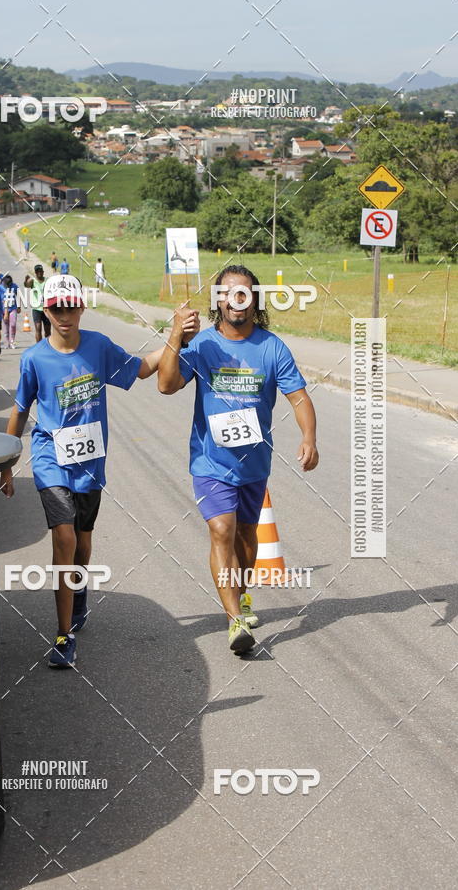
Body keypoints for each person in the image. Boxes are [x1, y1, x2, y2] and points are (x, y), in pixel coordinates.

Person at [0, 273, 199, 669]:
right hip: (49, 458)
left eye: (71, 307)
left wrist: (175, 336)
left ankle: (79, 592)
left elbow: (141, 369)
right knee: (64, 538)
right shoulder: (34, 358)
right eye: (56, 308)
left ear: (81, 307)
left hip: (90, 463)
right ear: (46, 310)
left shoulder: (97, 346)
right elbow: (21, 410)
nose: (64, 315)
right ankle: (62, 635)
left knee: (83, 546)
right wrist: (7, 464)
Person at [157, 264, 319, 657]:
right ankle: (234, 621)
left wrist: (309, 437)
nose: (236, 300)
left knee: (247, 539)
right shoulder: (203, 345)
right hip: (210, 462)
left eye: (244, 293)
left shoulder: (271, 347)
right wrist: (177, 333)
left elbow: (297, 396)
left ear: (255, 301)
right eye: (228, 294)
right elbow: (165, 384)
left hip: (253, 464)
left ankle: (241, 596)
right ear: (218, 301)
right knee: (221, 530)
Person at [24, 264, 51, 342]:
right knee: (38, 328)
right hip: (36, 308)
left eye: (40, 271)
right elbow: (26, 285)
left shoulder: (47, 280)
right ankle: (39, 347)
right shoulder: (33, 281)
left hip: (47, 308)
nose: (39, 273)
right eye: (37, 271)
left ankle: (47, 347)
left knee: (47, 331)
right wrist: (26, 281)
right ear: (35, 273)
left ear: (43, 272)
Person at [2, 273, 21, 349]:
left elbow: (18, 295)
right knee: (6, 326)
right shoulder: (1, 287)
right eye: (7, 284)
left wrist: (19, 306)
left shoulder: (14, 286)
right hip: (3, 309)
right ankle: (7, 342)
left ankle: (12, 341)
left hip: (13, 308)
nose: (8, 285)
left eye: (10, 283)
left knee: (12, 325)